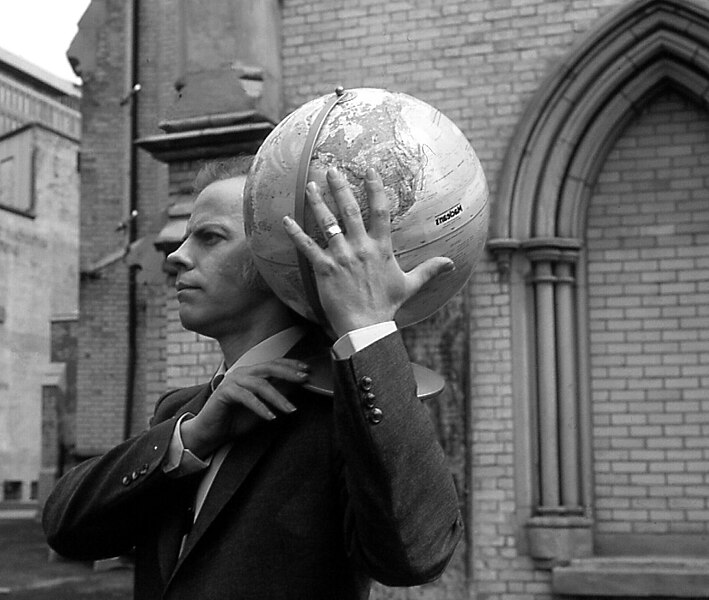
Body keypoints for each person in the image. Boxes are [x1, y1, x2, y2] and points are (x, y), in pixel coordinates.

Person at [42, 162, 463, 600]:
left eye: (209, 238)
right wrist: (191, 439)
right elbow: (67, 530)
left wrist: (368, 327)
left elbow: (417, 555)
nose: (176, 256)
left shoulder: (351, 409)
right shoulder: (182, 414)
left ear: (279, 260)